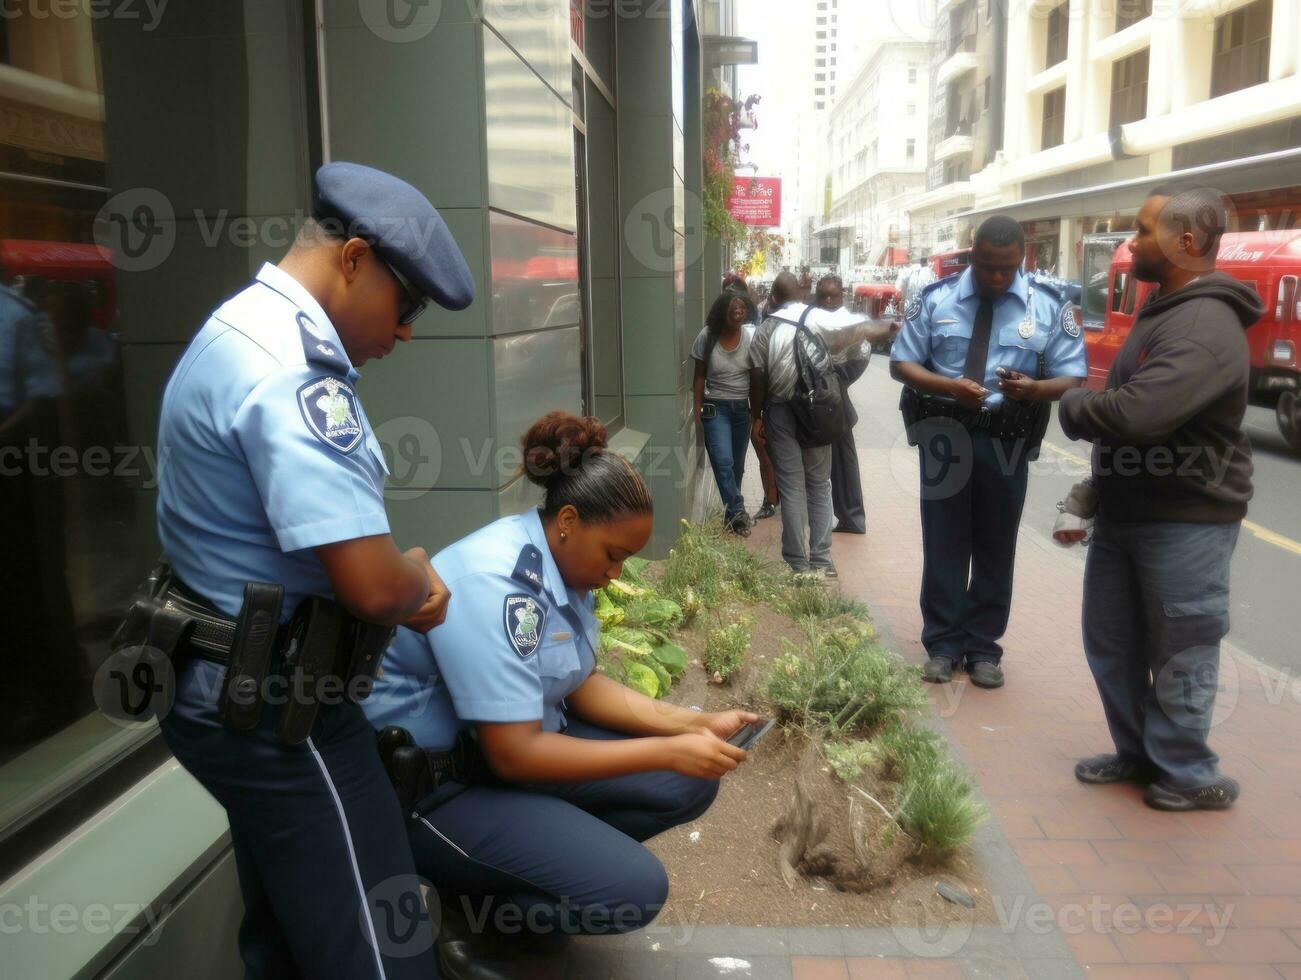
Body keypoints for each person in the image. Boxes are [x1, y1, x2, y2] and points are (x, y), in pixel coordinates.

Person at [145, 161, 475, 979]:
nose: (405, 332)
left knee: (291, 928)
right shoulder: (297, 375)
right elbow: (369, 584)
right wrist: (418, 583)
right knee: (380, 942)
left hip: (226, 686)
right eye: (408, 306)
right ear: (355, 259)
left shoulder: (235, 324)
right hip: (278, 709)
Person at [363, 412, 754, 974]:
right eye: (614, 555)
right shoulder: (501, 583)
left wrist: (690, 725)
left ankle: (530, 880)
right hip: (437, 790)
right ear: (568, 520)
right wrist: (668, 748)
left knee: (686, 780)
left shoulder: (562, 562)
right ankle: (470, 913)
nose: (618, 573)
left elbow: (577, 681)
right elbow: (514, 752)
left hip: (500, 761)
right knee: (634, 890)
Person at [1058, 185, 1262, 811]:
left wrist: (1070, 402)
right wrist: (1094, 491)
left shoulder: (1204, 324)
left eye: (1143, 231)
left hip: (1186, 521)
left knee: (1182, 648)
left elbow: (1140, 414)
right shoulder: (1165, 307)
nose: (1131, 242)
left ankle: (1185, 771)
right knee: (1113, 640)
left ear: (1187, 241)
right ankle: (1139, 752)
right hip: (1129, 512)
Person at [890, 216, 1086, 690]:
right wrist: (948, 386)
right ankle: (941, 643)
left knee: (997, 544)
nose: (995, 277)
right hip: (945, 434)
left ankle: (982, 647)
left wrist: (1035, 388)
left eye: (1005, 267)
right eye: (985, 266)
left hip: (1006, 438)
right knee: (944, 540)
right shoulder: (935, 300)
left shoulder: (1048, 306)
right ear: (971, 254)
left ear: (1022, 258)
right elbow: (901, 363)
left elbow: (1073, 376)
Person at [750, 272, 894, 576]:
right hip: (818, 410)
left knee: (791, 487)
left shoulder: (766, 330)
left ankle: (796, 562)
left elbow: (758, 378)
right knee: (819, 484)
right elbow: (861, 331)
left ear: (773, 298)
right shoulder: (817, 318)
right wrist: (891, 327)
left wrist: (757, 415)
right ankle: (822, 559)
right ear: (802, 295)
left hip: (779, 411)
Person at [693, 291, 760, 534]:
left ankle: (732, 517)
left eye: (742, 308)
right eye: (733, 308)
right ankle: (739, 510)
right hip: (715, 408)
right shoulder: (707, 336)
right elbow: (699, 374)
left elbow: (755, 378)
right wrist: (696, 408)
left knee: (736, 467)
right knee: (723, 461)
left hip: (742, 409)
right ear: (723, 311)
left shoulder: (750, 338)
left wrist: (757, 414)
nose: (738, 312)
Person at [815, 275, 869, 535]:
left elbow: (861, 358)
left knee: (844, 461)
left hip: (836, 404)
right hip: (810, 403)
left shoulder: (852, 324)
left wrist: (833, 379)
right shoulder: (811, 318)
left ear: (842, 295)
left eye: (833, 295)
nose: (828, 301)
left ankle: (852, 517)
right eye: (823, 295)